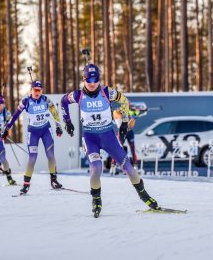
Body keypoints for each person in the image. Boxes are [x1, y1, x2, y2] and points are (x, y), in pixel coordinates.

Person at [60, 63, 161, 218]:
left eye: (95, 79)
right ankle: (96, 199)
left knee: (129, 168)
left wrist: (125, 122)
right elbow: (63, 101)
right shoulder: (78, 95)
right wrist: (67, 121)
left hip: (108, 136)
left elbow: (125, 101)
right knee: (97, 168)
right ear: (84, 79)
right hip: (90, 138)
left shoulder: (107, 92)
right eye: (89, 79)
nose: (92, 83)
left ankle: (143, 194)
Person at [2, 80, 64, 194]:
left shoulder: (46, 100)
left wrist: (58, 126)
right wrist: (7, 129)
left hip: (46, 130)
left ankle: (53, 180)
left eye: (39, 90)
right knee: (32, 158)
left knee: (50, 155)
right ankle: (26, 185)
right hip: (33, 132)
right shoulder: (26, 102)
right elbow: (15, 115)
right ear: (31, 90)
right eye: (35, 90)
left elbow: (54, 113)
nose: (37, 92)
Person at [110, 102, 140, 174]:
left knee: (133, 148)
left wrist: (134, 114)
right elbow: (118, 115)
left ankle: (135, 165)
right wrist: (127, 114)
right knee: (118, 148)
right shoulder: (117, 111)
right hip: (121, 132)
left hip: (129, 132)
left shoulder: (130, 112)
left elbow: (136, 114)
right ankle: (113, 165)